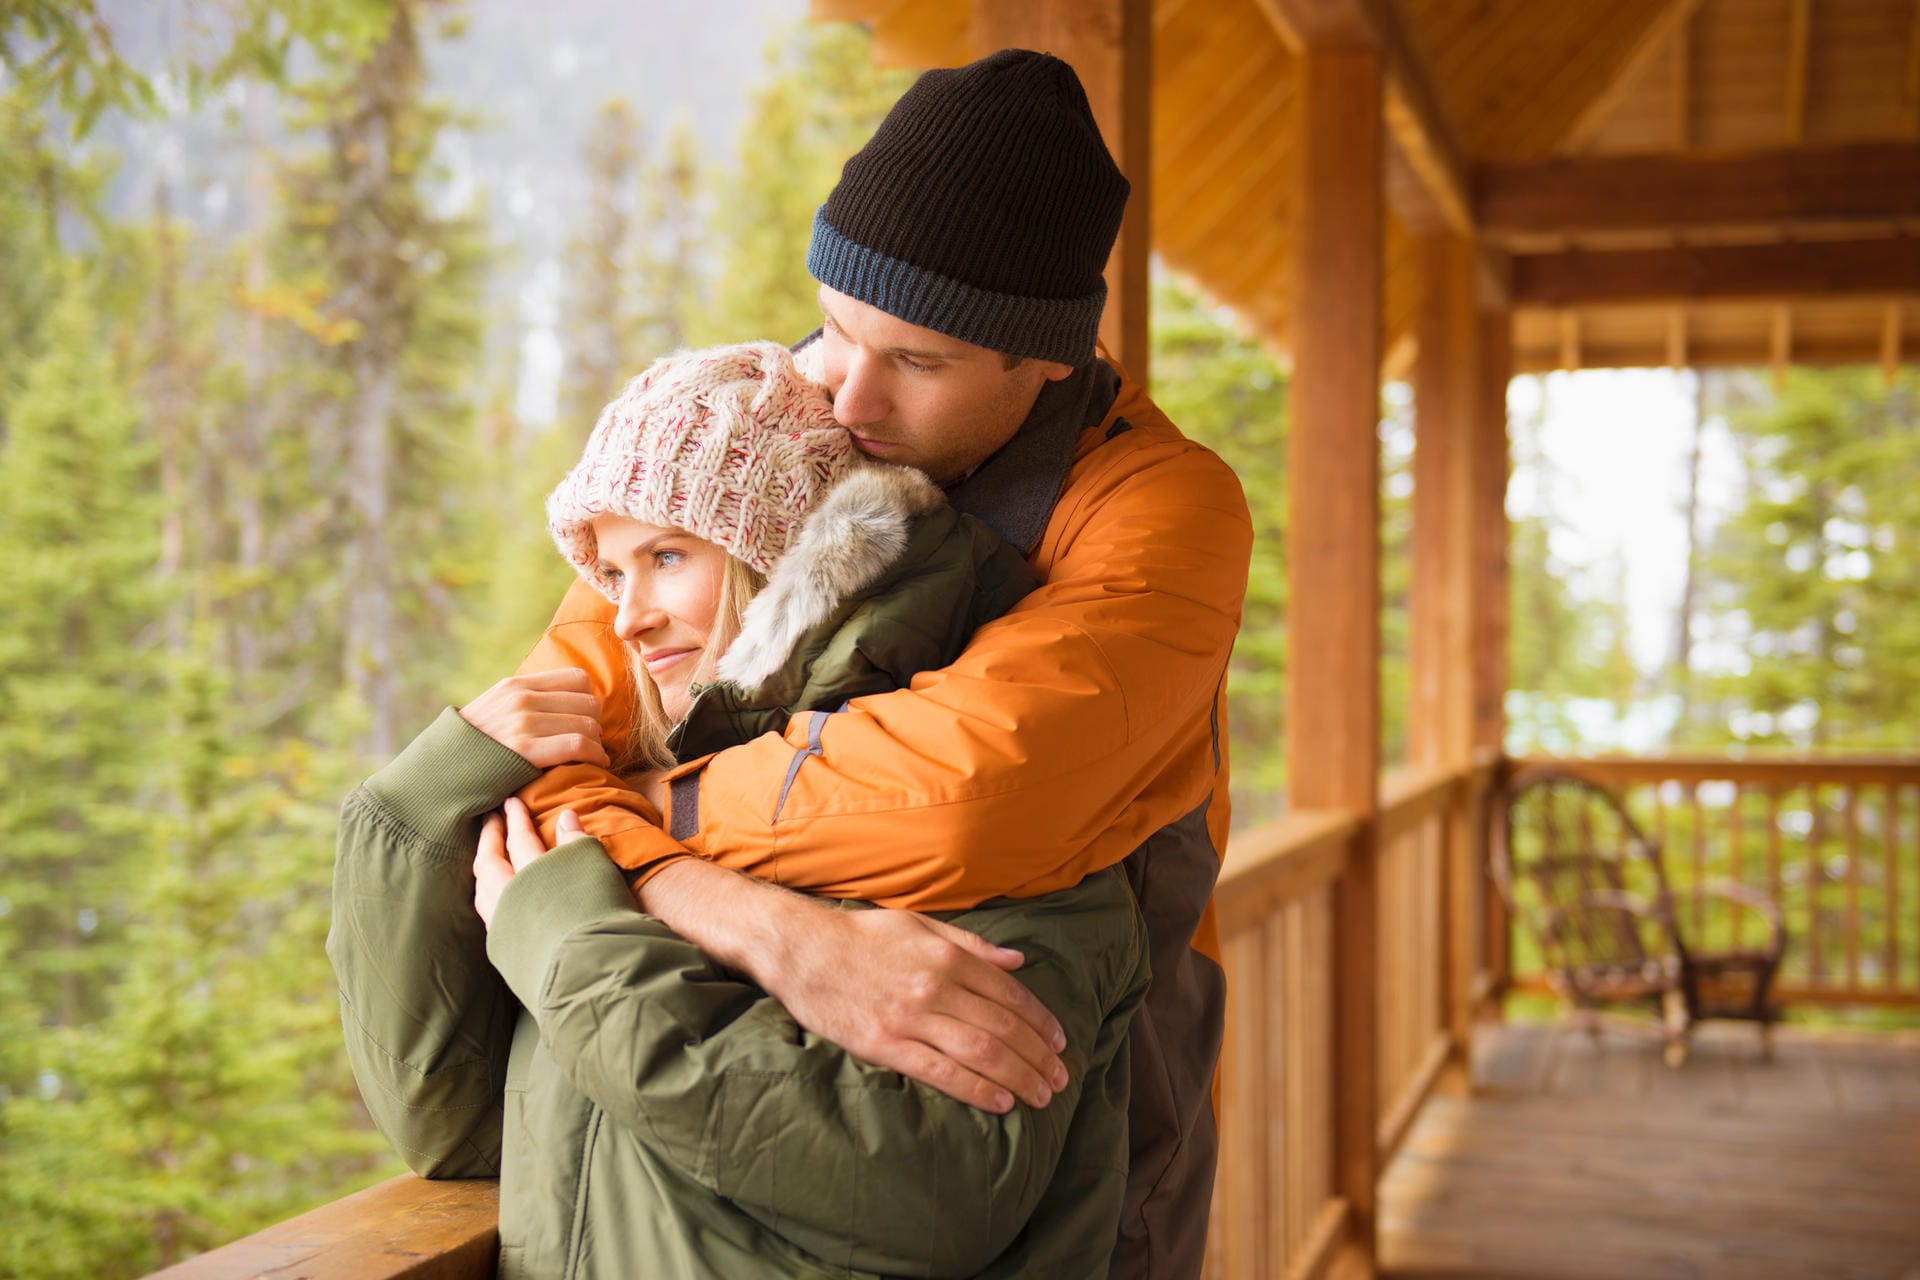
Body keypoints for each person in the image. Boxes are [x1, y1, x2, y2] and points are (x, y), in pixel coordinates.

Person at [510, 49, 1253, 1279]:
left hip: (1079, 1106)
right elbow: (539, 735)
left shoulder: (1163, 506)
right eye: (836, 325)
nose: (843, 391)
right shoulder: (769, 428)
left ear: (1047, 359)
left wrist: (635, 826)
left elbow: (971, 797)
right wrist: (753, 921)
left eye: (918, 360)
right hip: (743, 1115)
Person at [331, 340, 1151, 1278]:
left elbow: (922, 1194)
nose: (627, 618)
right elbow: (452, 1129)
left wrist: (572, 943)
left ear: (792, 565)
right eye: (612, 573)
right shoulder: (637, 807)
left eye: (667, 556)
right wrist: (409, 813)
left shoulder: (988, 809)